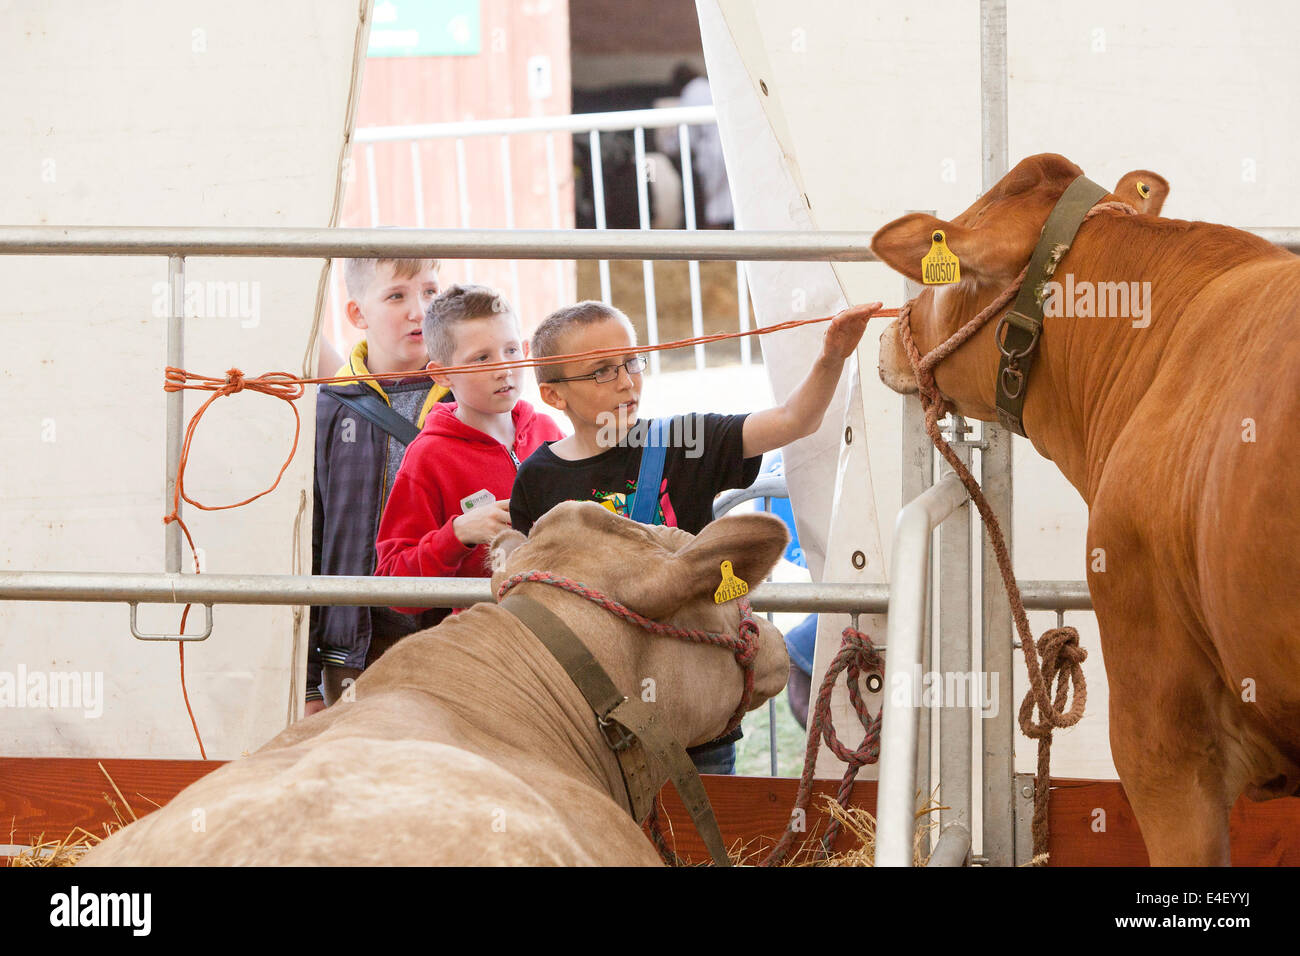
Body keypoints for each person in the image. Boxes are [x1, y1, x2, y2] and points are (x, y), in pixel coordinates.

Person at [510, 298, 880, 772]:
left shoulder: (685, 442)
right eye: (601, 371)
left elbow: (793, 420)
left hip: (696, 707)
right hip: (597, 716)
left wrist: (832, 358)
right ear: (554, 395)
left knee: (702, 838)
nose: (626, 381)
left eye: (631, 362)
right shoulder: (537, 478)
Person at [307, 257, 445, 716]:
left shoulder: (474, 396)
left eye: (430, 291)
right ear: (356, 315)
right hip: (356, 648)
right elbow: (309, 544)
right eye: (397, 295)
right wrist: (309, 684)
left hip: (456, 631)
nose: (420, 310)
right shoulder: (328, 411)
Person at [373, 284, 564, 610]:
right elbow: (392, 584)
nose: (504, 368)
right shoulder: (428, 458)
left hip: (572, 621)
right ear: (443, 374)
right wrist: (458, 534)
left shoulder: (548, 430)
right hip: (494, 639)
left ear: (526, 348)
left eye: (511, 350)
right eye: (482, 358)